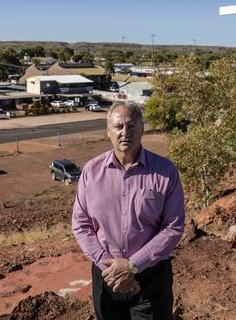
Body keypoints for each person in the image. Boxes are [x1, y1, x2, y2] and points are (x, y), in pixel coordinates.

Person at [72, 101, 185, 320]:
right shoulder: (91, 172)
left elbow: (173, 227)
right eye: (119, 126)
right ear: (108, 132)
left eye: (132, 126)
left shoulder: (166, 171)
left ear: (142, 129)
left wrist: (133, 266)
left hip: (151, 278)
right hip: (106, 277)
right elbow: (81, 224)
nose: (125, 132)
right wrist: (111, 267)